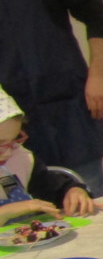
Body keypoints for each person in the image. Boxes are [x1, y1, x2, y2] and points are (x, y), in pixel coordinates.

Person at [0, 0, 103, 197]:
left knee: (86, 192)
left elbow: (96, 14)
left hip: (67, 105)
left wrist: (97, 76)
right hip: (7, 120)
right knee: (17, 203)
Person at [0, 85, 96, 226]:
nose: (9, 152)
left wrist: (73, 191)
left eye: (15, 140)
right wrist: (6, 212)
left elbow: (53, 188)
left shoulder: (20, 158)